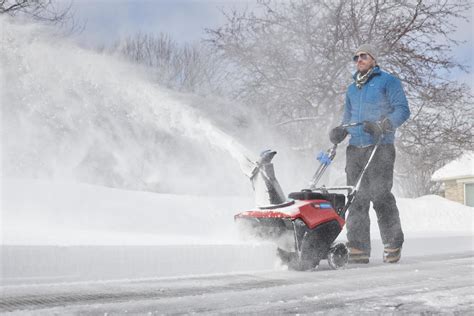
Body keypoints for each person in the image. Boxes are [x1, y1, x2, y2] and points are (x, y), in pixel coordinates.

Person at [329, 44, 410, 264]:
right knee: (356, 198)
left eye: (363, 56)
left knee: (380, 195)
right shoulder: (352, 89)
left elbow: (402, 109)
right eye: (356, 57)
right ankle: (358, 247)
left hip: (380, 145)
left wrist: (384, 125)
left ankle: (393, 243)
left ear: (373, 58)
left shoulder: (388, 81)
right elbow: (348, 117)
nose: (359, 60)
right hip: (355, 148)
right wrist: (341, 131)